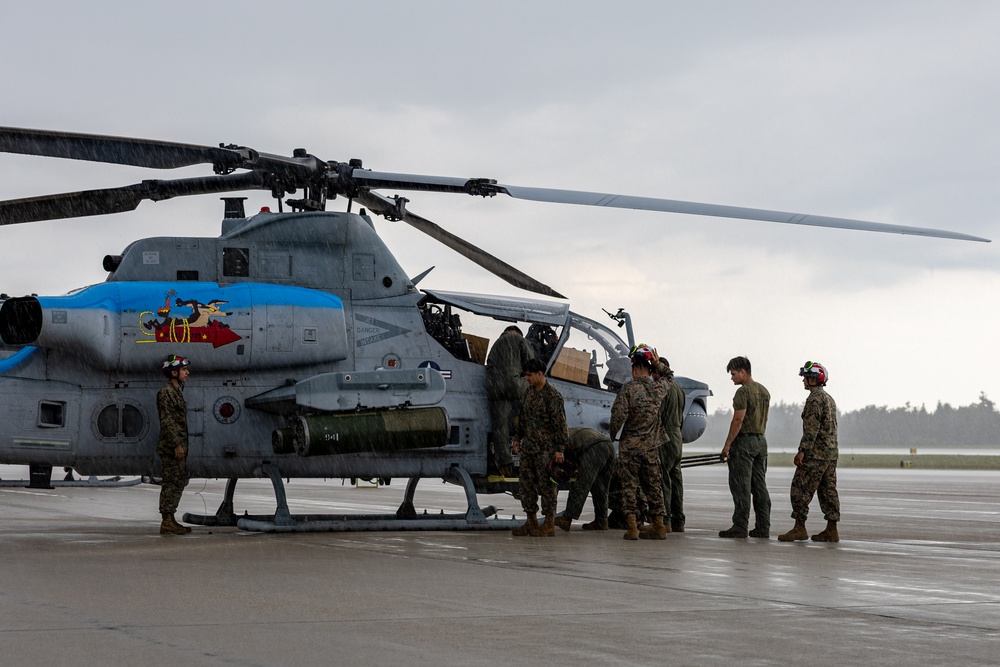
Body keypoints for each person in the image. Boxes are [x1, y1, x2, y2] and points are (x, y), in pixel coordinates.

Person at [609, 345, 672, 540]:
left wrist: (613, 434)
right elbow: (669, 378)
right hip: (651, 447)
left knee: (629, 486)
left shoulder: (628, 389)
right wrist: (658, 364)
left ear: (635, 369)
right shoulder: (657, 388)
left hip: (630, 448)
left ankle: (632, 527)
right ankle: (659, 526)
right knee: (653, 486)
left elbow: (618, 415)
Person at [778, 361, 841, 543]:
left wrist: (802, 451)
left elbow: (811, 429)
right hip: (830, 454)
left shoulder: (814, 399)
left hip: (816, 454)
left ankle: (799, 527)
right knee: (828, 490)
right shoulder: (829, 398)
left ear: (814, 379)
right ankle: (832, 529)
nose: (804, 381)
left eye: (806, 377)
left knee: (799, 488)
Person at [512, 358, 569, 537]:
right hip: (529, 449)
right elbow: (522, 418)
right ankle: (531, 521)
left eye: (529, 375)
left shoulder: (553, 396)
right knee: (526, 486)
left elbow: (560, 425)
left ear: (539, 374)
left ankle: (549, 523)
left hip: (546, 451)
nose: (526, 378)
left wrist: (559, 449)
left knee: (547, 488)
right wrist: (517, 438)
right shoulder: (529, 392)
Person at [719, 356, 771, 539]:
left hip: (744, 443)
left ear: (743, 371)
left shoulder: (742, 393)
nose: (732, 378)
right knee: (760, 486)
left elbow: (738, 419)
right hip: (761, 441)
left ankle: (740, 526)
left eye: (733, 374)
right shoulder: (764, 391)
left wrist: (727, 445)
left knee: (741, 485)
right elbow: (764, 419)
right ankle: (763, 526)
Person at [486, 325, 533, 477]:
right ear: (515, 332)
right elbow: (531, 363)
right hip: (515, 385)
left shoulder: (496, 344)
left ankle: (504, 463)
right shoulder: (519, 339)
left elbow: (489, 363)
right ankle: (529, 456)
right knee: (533, 406)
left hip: (495, 388)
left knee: (500, 426)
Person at [157, 354, 192, 535]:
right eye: (184, 370)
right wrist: (177, 445)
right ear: (174, 372)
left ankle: (170, 519)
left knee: (177, 481)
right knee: (171, 482)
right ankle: (167, 520)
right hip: (171, 447)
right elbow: (167, 421)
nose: (187, 372)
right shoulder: (166, 393)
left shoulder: (175, 391)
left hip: (176, 446)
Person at [555, 427, 616, 531]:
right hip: (609, 446)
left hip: (594, 447)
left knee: (582, 484)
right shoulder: (570, 432)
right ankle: (601, 521)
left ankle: (566, 519)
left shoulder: (558, 440)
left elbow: (565, 460)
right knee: (600, 487)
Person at [657, 360, 686, 532]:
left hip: (666, 435)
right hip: (677, 437)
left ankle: (665, 520)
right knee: (676, 480)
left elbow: (657, 415)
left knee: (663, 478)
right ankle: (678, 520)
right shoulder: (679, 389)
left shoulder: (662, 388)